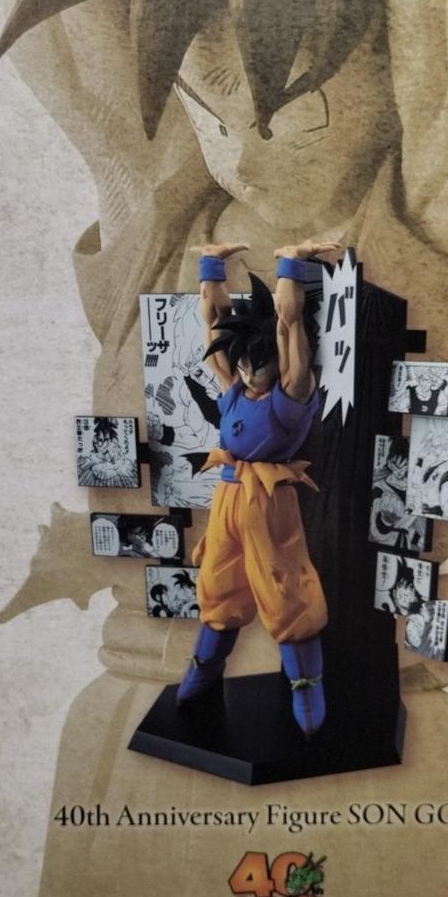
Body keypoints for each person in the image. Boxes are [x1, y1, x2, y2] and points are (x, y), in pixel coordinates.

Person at [175, 239, 337, 737]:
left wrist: (291, 262)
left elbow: (288, 325)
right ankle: (204, 668)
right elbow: (214, 323)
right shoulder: (234, 392)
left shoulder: (289, 398)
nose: (248, 372)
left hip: (269, 504)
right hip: (228, 499)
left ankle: (306, 684)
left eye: (257, 364)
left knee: (285, 589)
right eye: (243, 364)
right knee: (218, 586)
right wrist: (210, 265)